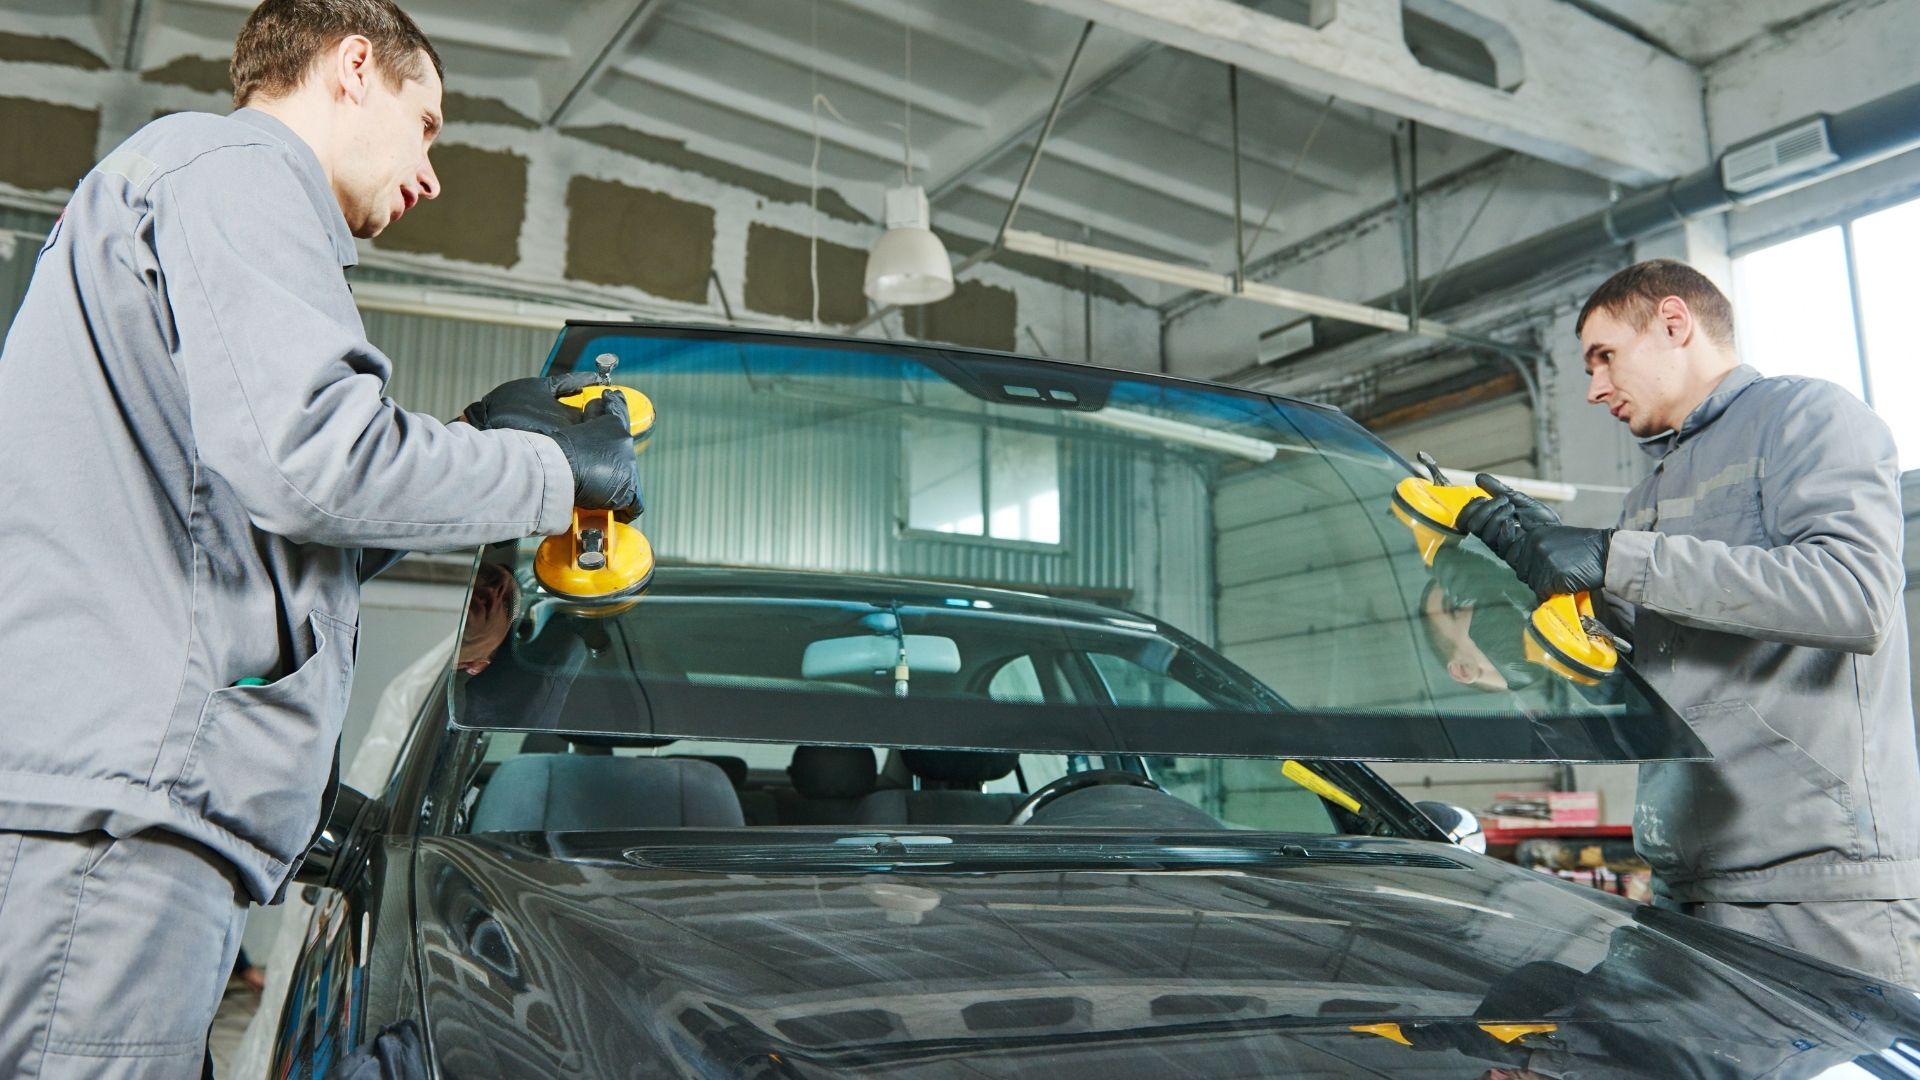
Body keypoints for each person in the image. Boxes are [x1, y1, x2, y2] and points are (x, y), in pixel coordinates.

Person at [0, 1, 638, 1074]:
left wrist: (471, 441)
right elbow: (316, 463)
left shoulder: (176, 186)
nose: (431, 176)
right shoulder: (241, 172)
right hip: (124, 834)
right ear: (353, 67)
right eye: (427, 123)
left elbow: (242, 524)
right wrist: (553, 471)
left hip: (104, 813)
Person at [1459, 258, 1920, 984]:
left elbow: (1854, 595)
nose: (1593, 388)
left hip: (1818, 890)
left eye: (1604, 356)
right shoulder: (1649, 491)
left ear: (1674, 323)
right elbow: (1653, 669)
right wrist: (1541, 567)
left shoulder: (1808, 418)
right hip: (1689, 883)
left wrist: (1615, 556)